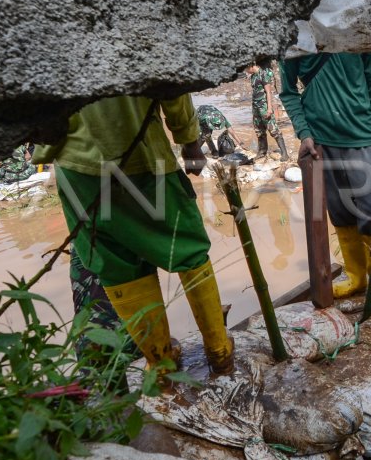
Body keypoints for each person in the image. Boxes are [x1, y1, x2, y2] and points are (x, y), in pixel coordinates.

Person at [34, 95, 236, 376]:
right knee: (188, 249)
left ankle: (160, 365)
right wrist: (189, 140)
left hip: (75, 165)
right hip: (141, 156)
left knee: (117, 265)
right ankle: (219, 350)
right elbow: (173, 84)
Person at [279, 51, 371, 300]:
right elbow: (288, 91)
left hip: (362, 135)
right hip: (321, 141)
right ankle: (356, 278)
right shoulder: (298, 37)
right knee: (339, 211)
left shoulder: (361, 30)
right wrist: (303, 132)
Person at [248, 60, 289, 161]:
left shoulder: (264, 73)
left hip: (264, 107)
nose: (246, 71)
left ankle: (284, 153)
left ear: (251, 65)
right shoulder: (253, 76)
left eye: (246, 68)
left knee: (273, 129)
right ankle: (262, 152)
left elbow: (268, 92)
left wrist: (270, 108)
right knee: (259, 130)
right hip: (256, 108)